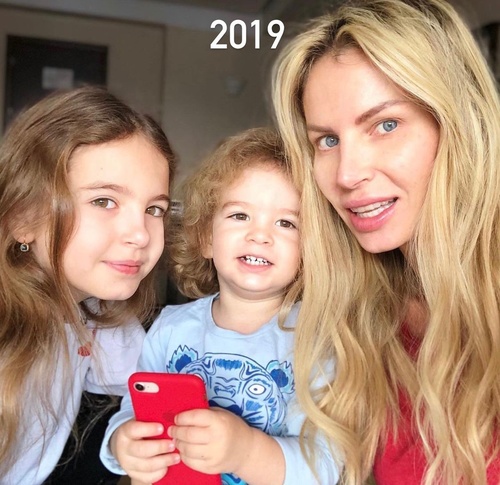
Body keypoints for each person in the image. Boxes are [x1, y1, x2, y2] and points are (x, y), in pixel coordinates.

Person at [271, 0, 500, 484]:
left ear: (458, 125)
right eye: (327, 141)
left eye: (386, 125)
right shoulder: (359, 318)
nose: (347, 175)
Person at [99, 127, 341, 485]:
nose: (260, 235)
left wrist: (245, 452)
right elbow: (134, 409)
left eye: (286, 223)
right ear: (205, 237)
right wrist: (122, 442)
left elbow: (327, 466)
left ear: (310, 252)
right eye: (240, 215)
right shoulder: (170, 328)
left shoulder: (318, 341)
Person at [0, 85, 175, 484]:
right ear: (23, 217)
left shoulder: (97, 317)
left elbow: (148, 378)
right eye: (104, 201)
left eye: (154, 209)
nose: (140, 234)